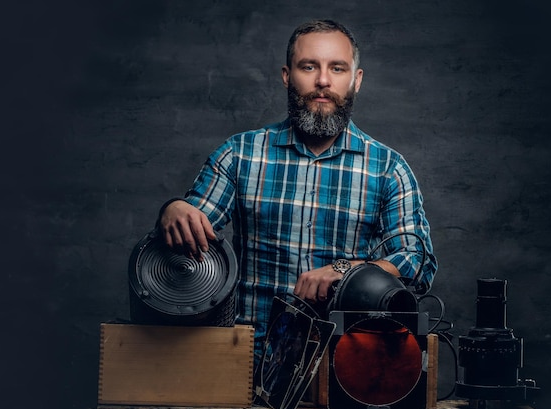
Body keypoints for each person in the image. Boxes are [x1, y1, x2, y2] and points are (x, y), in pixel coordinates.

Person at [157, 19, 438, 355]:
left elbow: (417, 261)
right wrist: (172, 210)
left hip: (342, 365)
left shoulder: (389, 169)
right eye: (309, 66)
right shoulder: (239, 154)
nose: (323, 80)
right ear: (287, 75)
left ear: (356, 80)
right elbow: (188, 238)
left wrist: (346, 271)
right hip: (245, 359)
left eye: (337, 68)